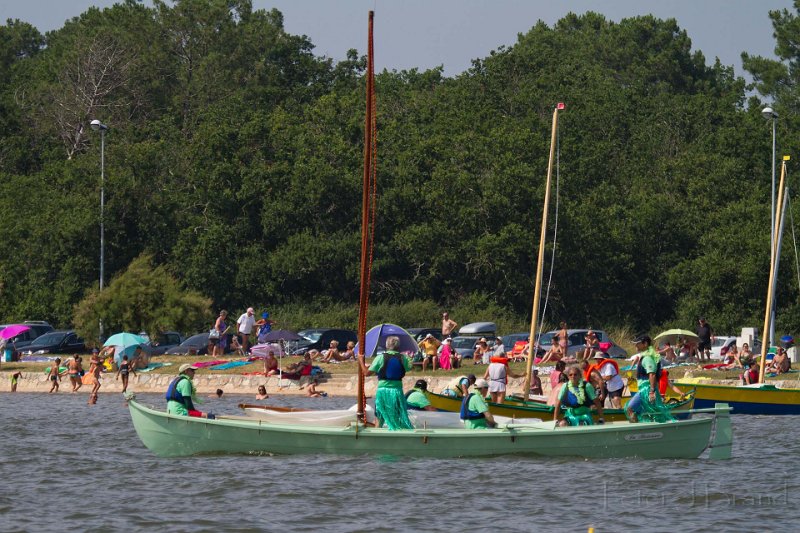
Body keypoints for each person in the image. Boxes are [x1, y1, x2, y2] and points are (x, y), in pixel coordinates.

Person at [359, 336, 413, 430]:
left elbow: (366, 373)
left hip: (383, 392)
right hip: (397, 392)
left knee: (379, 415)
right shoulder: (403, 358)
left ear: (387, 345)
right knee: (398, 416)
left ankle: (378, 431)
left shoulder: (380, 358)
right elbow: (407, 367)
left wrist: (360, 360)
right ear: (398, 346)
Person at [626, 335, 674, 423]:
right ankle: (645, 427)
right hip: (644, 389)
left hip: (647, 389)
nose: (635, 345)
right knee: (650, 412)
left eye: (638, 344)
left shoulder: (647, 358)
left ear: (645, 344)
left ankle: (638, 428)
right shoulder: (644, 356)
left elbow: (652, 375)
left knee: (630, 408)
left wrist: (651, 392)